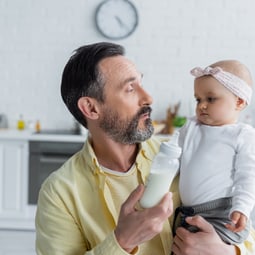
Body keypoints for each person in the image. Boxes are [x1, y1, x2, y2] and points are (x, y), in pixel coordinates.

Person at [35, 43, 255, 255]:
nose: (148, 97)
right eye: (131, 88)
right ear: (91, 108)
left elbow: (242, 228)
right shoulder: (59, 194)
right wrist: (121, 242)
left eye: (141, 83)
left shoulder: (182, 153)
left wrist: (230, 251)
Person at [175, 60, 255, 245]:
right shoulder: (191, 127)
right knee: (181, 245)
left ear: (239, 101)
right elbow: (173, 154)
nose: (202, 105)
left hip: (222, 213)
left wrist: (242, 208)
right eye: (198, 99)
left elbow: (248, 176)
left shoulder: (242, 135)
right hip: (187, 213)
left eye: (210, 99)